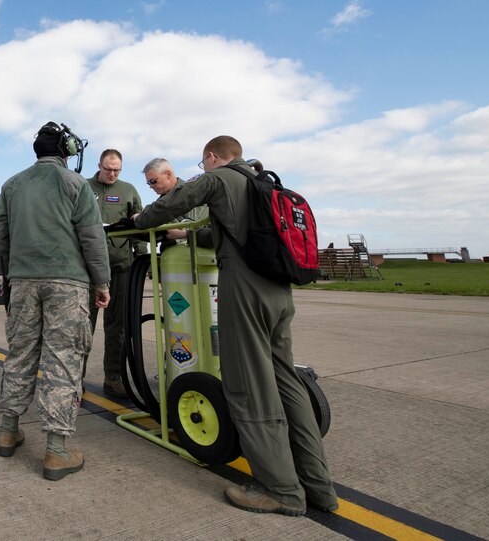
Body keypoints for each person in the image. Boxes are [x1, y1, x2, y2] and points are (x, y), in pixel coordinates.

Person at [133, 136, 338, 516]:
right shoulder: (264, 183)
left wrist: (137, 221)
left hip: (245, 291)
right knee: (286, 381)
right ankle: (319, 488)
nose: (203, 168)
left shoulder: (219, 178)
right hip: (280, 293)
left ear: (213, 157)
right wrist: (187, 235)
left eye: (203, 163)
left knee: (249, 387)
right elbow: (225, 233)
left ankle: (280, 489)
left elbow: (171, 204)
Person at [0, 122, 111, 481]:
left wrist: (12, 272)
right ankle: (56, 451)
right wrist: (101, 282)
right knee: (62, 360)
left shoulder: (12, 185)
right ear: (66, 151)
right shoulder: (75, 185)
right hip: (68, 284)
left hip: (23, 282)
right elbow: (92, 238)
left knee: (20, 354)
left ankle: (8, 430)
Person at [86, 149, 146, 399]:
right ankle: (73, 381)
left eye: (117, 170)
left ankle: (113, 377)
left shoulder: (129, 190)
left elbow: (141, 226)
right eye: (108, 168)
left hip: (121, 266)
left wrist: (143, 259)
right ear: (99, 165)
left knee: (117, 327)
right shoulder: (82, 187)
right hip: (87, 269)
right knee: (81, 327)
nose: (112, 174)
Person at [142, 157, 209, 246]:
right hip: (170, 252)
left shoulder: (192, 193)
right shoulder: (159, 204)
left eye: (153, 181)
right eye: (148, 183)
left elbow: (196, 224)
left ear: (168, 174)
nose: (151, 186)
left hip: (195, 251)